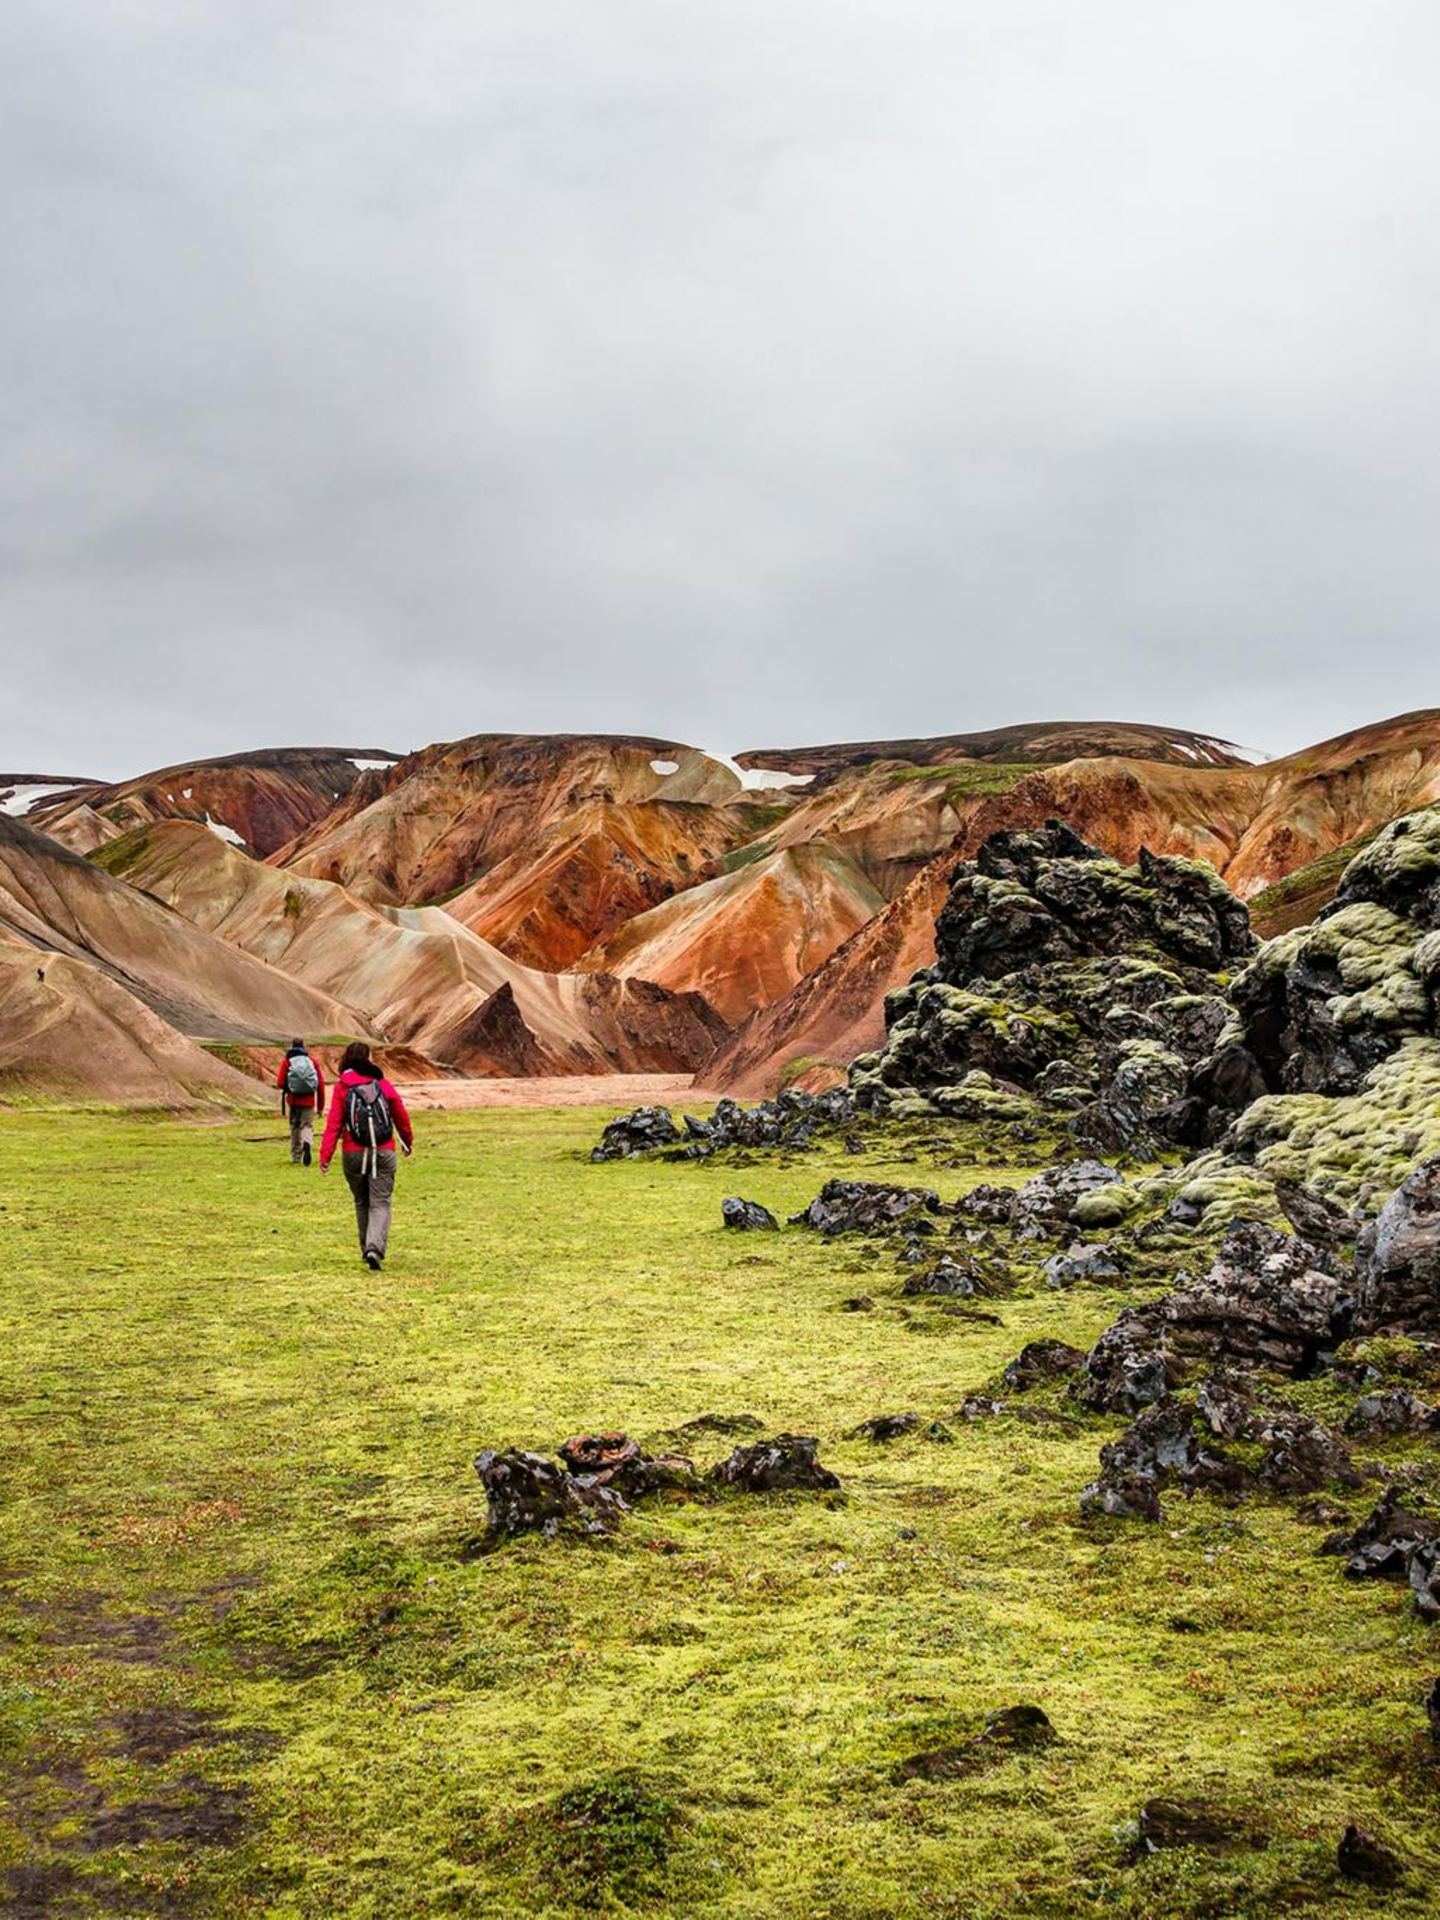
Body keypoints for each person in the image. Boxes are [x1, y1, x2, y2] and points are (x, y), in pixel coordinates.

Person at [319, 1042, 413, 1270]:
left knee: (361, 1201)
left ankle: (366, 1248)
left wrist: (325, 1156)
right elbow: (399, 1112)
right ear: (368, 1059)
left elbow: (333, 1124)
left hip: (353, 1153)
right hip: (383, 1150)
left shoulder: (342, 1087)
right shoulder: (381, 1083)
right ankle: (374, 1248)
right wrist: (407, 1141)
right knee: (380, 1202)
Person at [276, 1038, 325, 1167]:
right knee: (307, 1125)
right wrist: (320, 1107)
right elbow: (320, 1085)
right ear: (304, 1047)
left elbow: (280, 1083)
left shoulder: (287, 1062)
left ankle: (296, 1156)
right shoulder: (312, 1062)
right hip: (309, 1101)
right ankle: (307, 1142)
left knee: (295, 1126)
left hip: (293, 1101)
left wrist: (290, 1087)